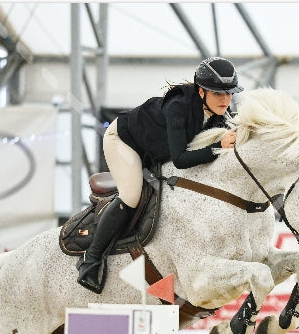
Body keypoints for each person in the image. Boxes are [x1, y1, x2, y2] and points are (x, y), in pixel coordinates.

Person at [77, 56, 244, 293]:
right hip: (124, 141)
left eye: (229, 93)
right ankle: (90, 260)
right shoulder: (178, 107)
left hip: (154, 148)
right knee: (132, 195)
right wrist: (219, 147)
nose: (225, 100)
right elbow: (181, 159)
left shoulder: (223, 111)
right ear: (200, 92)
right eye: (218, 93)